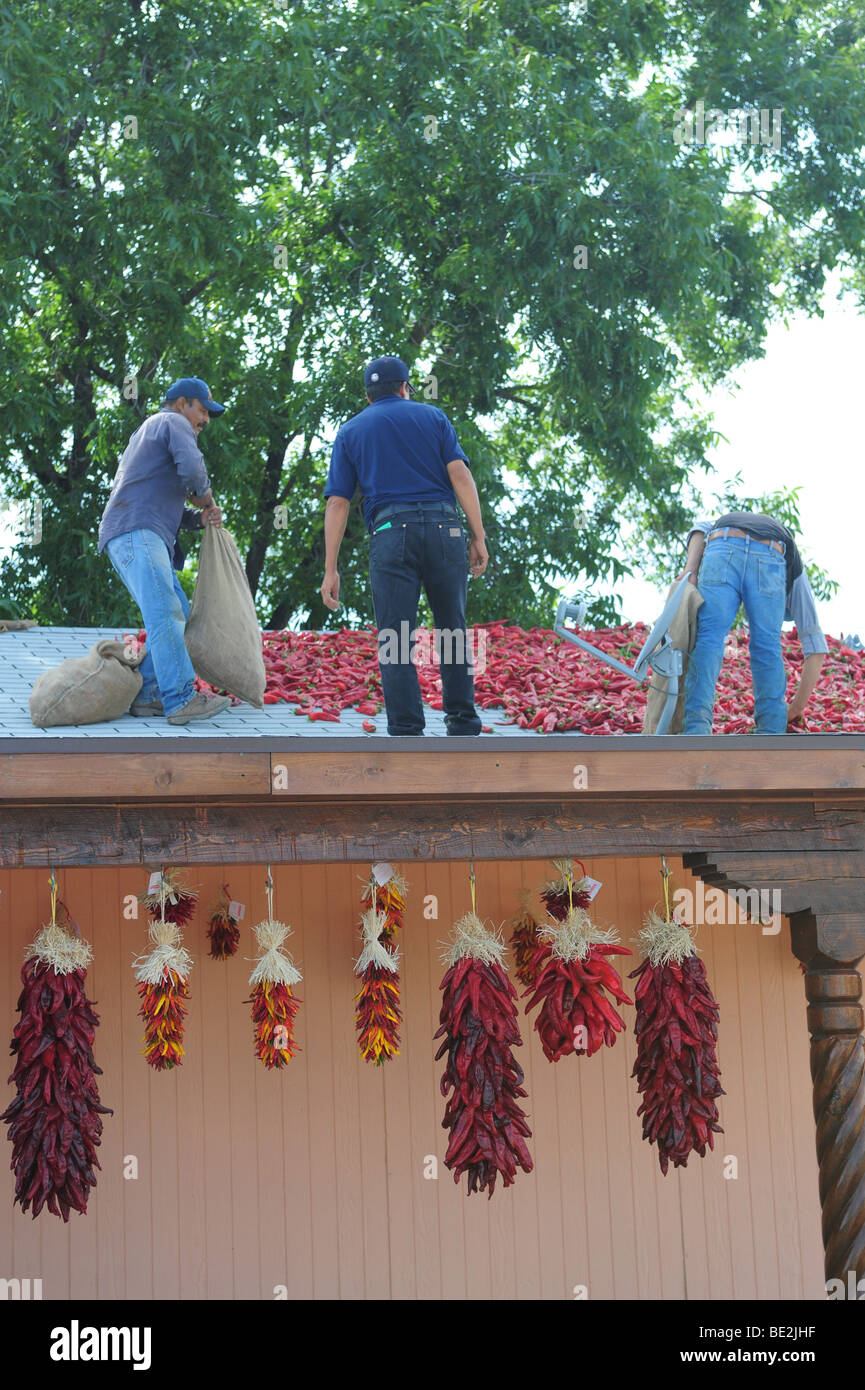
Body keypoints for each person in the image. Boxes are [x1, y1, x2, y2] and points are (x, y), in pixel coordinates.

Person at [321, 356, 488, 736]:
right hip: (446, 530)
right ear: (403, 387)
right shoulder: (433, 418)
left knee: (395, 635)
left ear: (368, 396)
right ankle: (463, 723)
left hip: (391, 532)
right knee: (453, 629)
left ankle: (407, 730)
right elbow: (460, 473)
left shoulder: (351, 432)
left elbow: (338, 503)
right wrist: (477, 535)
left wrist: (331, 569)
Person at [98, 376, 232, 725]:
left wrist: (198, 519)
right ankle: (180, 698)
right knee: (165, 613)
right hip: (137, 532)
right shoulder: (172, 422)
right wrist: (208, 500)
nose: (204, 420)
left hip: (137, 531)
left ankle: (149, 697)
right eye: (202, 410)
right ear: (182, 402)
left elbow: (166, 507)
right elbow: (193, 470)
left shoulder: (153, 430)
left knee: (177, 612)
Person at [679, 511, 828, 733]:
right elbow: (816, 647)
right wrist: (796, 708)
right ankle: (771, 730)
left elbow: (700, 527)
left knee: (709, 637)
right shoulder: (795, 573)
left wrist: (690, 570)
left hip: (722, 545)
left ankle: (696, 728)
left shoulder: (735, 522)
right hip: (770, 553)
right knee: (767, 645)